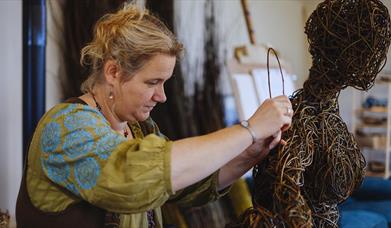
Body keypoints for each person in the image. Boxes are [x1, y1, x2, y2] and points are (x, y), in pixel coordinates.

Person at [16, 3, 293, 228]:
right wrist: (248, 130)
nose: (162, 96)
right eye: (152, 83)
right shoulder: (65, 128)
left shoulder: (140, 129)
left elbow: (189, 182)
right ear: (113, 72)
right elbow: (134, 177)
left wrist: (251, 152)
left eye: (164, 83)